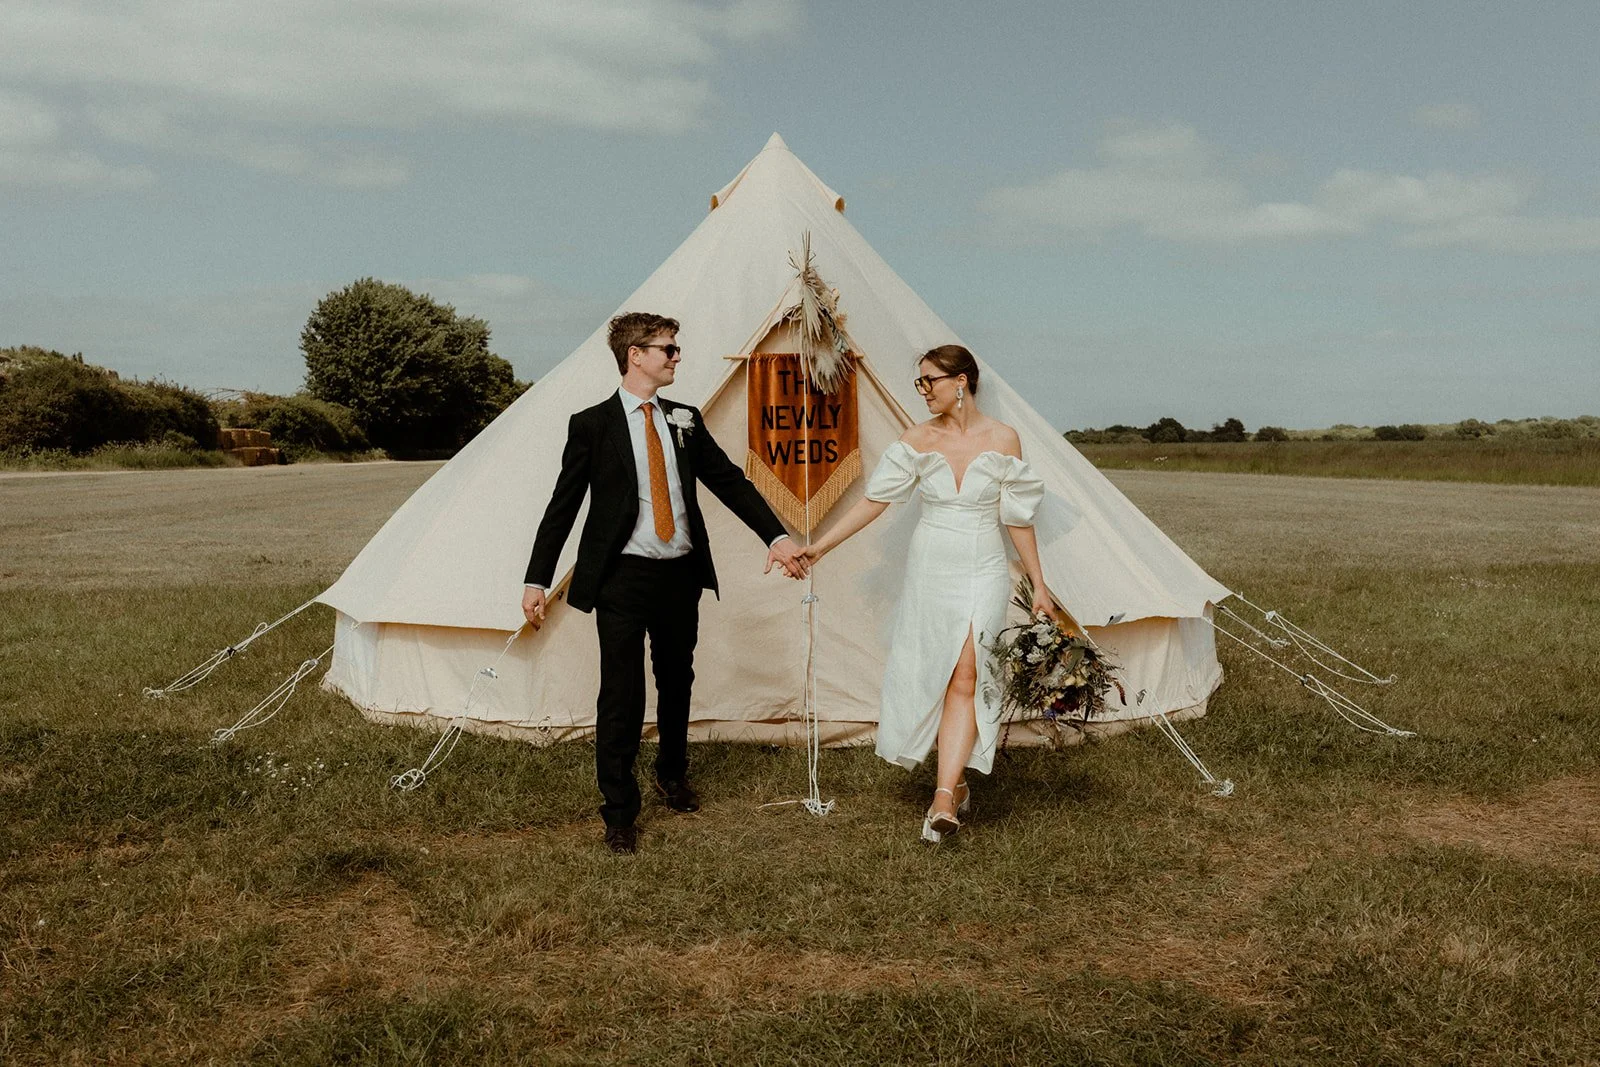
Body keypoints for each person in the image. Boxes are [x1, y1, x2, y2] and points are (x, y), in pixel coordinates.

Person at [523, 312, 809, 854]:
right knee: (622, 693)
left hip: (680, 574)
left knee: (677, 679)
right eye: (668, 349)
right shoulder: (592, 425)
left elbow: (730, 481)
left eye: (676, 349)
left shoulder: (685, 418)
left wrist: (777, 537)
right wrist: (537, 578)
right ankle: (620, 811)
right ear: (636, 355)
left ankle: (671, 775)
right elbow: (561, 508)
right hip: (622, 579)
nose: (677, 357)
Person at [800, 344, 1052, 843]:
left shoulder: (1004, 439)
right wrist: (820, 547)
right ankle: (954, 788)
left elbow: (1017, 518)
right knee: (933, 670)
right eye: (920, 382)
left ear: (961, 382)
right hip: (931, 566)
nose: (923, 392)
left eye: (929, 381)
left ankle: (942, 797)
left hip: (983, 566)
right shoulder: (916, 438)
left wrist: (1039, 585)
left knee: (969, 669)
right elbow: (875, 500)